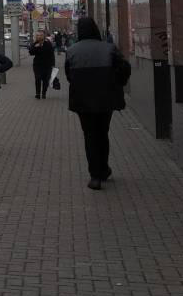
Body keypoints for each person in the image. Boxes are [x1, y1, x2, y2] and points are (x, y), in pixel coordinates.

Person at [64, 16, 132, 190]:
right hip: (106, 99)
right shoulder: (109, 48)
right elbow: (125, 68)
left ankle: (95, 176)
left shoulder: (72, 51)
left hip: (82, 101)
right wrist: (117, 83)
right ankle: (103, 169)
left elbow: (69, 76)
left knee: (89, 135)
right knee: (102, 133)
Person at [28, 30, 56, 99]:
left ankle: (44, 93)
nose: (39, 36)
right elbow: (31, 53)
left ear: (44, 36)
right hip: (37, 65)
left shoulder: (48, 44)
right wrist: (35, 47)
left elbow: (52, 54)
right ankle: (37, 93)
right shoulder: (35, 43)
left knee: (45, 80)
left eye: (41, 35)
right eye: (38, 35)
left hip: (47, 65)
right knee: (37, 78)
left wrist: (53, 64)